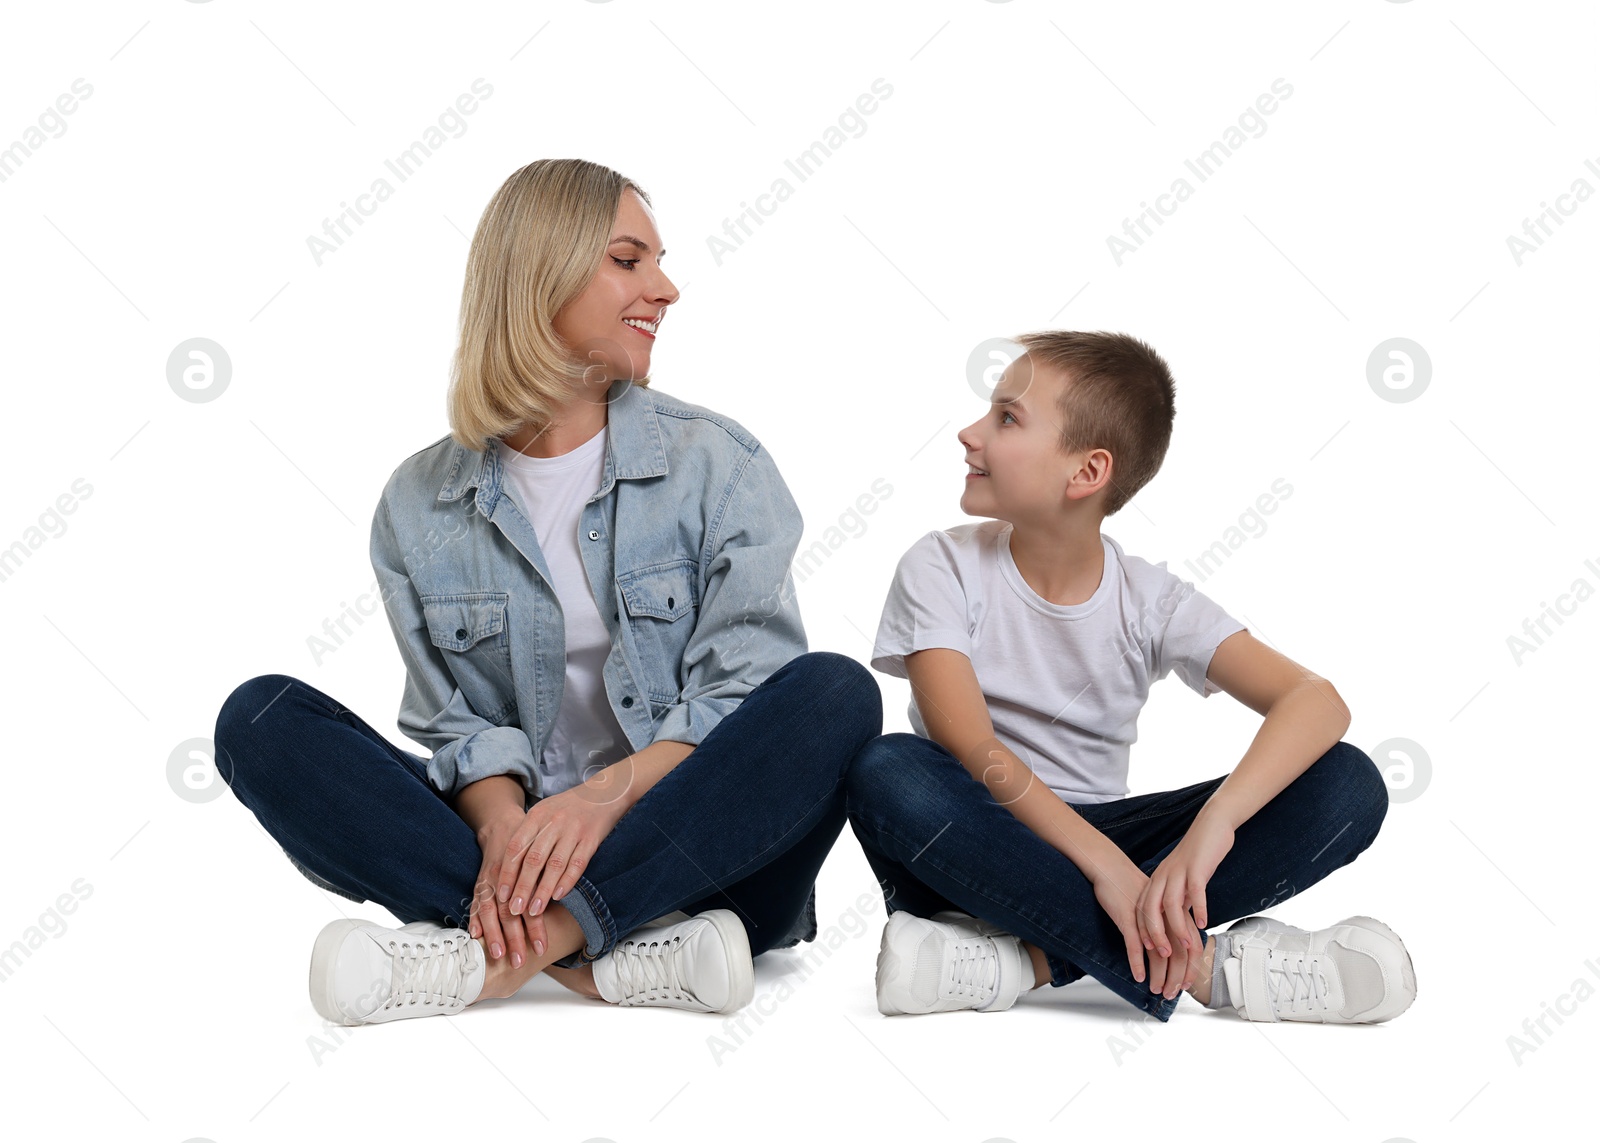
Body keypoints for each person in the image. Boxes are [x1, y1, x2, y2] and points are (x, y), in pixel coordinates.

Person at [213, 158, 880, 1026]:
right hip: (516, 852)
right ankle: (614, 949)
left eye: (657, 261)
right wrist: (502, 827)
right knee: (258, 718)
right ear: (544, 274)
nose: (666, 287)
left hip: (703, 850)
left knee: (837, 693)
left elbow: (742, 698)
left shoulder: (720, 465)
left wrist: (600, 800)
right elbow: (457, 725)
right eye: (630, 259)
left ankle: (510, 948)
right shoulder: (418, 502)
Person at [848, 331, 1416, 1024]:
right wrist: (1108, 870)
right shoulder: (939, 566)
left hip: (1111, 849)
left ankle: (1019, 961)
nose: (970, 434)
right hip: (978, 844)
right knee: (889, 768)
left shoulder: (1149, 600)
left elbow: (1314, 701)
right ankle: (1209, 969)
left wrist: (1215, 826)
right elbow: (975, 747)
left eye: (1006, 418)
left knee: (1348, 782)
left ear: (1085, 473)